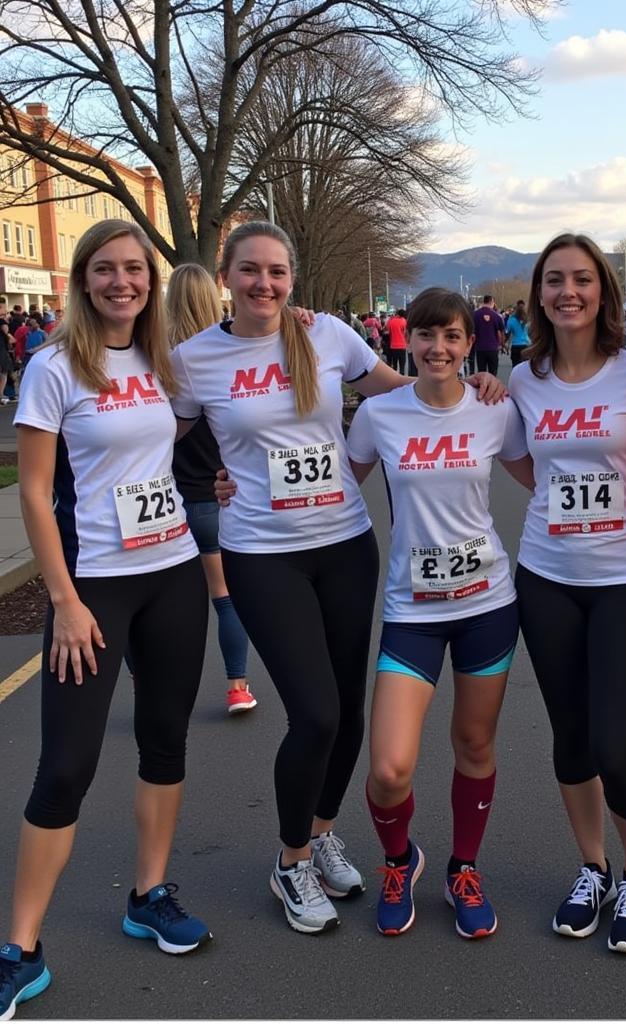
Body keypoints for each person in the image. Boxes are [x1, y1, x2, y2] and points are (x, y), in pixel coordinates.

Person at [178, 221, 504, 936]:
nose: (265, 283)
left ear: (292, 277)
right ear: (225, 276)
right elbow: (161, 439)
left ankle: (322, 831)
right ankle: (291, 860)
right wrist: (208, 484)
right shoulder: (196, 358)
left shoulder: (326, 334)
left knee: (348, 712)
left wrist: (471, 382)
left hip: (347, 544)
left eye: (277, 271)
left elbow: (403, 397)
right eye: (250, 270)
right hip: (263, 554)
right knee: (316, 713)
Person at [1, 220, 212, 1022]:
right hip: (94, 587)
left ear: (150, 282)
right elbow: (32, 491)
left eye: (135, 269)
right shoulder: (53, 367)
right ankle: (20, 949)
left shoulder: (166, 361)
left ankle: (149, 894)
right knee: (66, 765)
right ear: (82, 280)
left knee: (165, 741)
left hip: (173, 578)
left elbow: (180, 437)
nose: (123, 281)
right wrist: (62, 600)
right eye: (106, 269)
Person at [346, 287, 528, 940]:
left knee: (474, 744)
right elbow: (337, 485)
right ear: (407, 339)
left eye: (452, 336)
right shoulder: (380, 414)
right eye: (426, 335)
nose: (439, 348)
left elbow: (546, 474)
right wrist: (238, 485)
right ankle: (401, 861)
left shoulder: (494, 412)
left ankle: (464, 868)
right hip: (411, 611)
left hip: (487, 605)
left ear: (469, 340)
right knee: (390, 767)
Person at [510, 233, 626, 955]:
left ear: (603, 290)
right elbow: (516, 461)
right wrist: (555, 497)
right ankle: (594, 868)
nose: (567, 292)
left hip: (625, 579)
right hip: (545, 577)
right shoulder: (521, 378)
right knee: (571, 738)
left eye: (581, 279)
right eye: (553, 281)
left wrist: (624, 493)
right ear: (538, 294)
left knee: (617, 746)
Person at [165, 265, 257, 714]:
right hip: (214, 496)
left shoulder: (160, 362)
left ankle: (146, 675)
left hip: (164, 501)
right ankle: (237, 685)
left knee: (157, 601)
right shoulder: (222, 360)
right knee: (224, 598)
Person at [472, 295, 504, 375]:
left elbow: (471, 331)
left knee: (481, 373)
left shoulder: (475, 315)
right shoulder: (496, 316)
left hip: (480, 348)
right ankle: (491, 387)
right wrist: (502, 345)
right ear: (492, 302)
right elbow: (502, 331)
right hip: (493, 348)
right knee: (493, 373)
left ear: (484, 302)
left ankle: (482, 387)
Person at [504, 299, 529, 366]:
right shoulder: (528, 319)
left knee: (515, 367)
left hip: (515, 346)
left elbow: (507, 333)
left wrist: (503, 344)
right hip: (526, 346)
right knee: (525, 368)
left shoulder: (511, 319)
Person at [386, 309, 408, 374]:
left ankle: (395, 379)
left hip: (393, 346)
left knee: (394, 364)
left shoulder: (390, 321)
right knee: (402, 365)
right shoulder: (404, 321)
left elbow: (387, 331)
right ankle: (402, 378)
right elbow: (406, 333)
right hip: (402, 346)